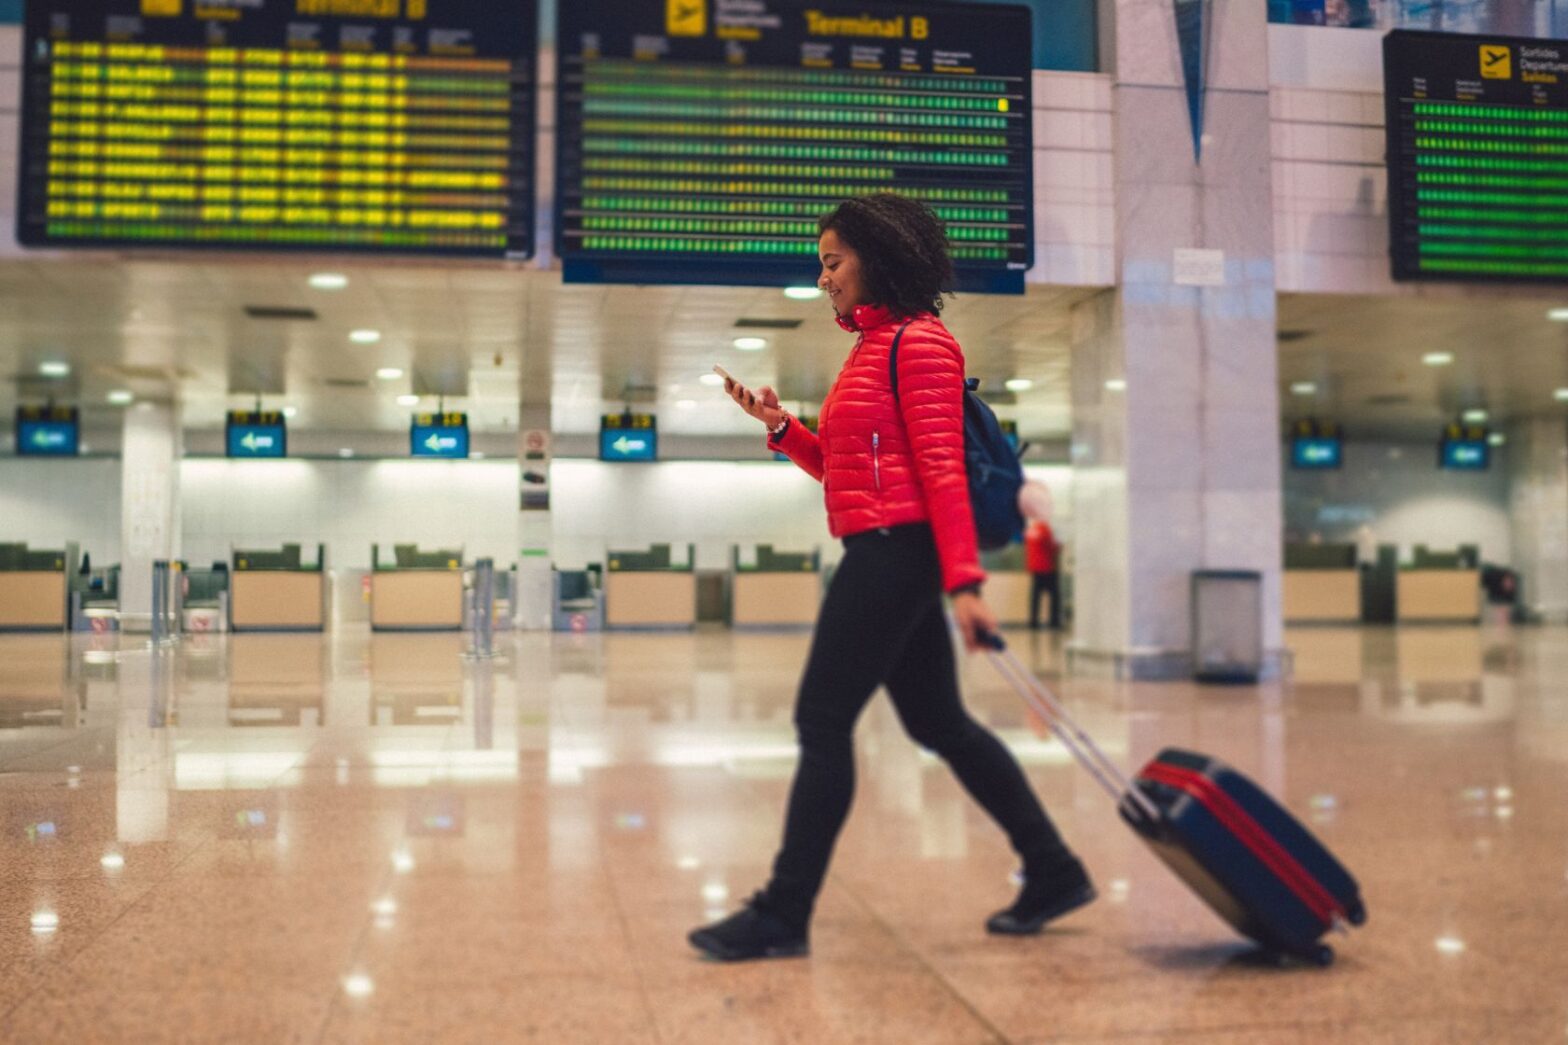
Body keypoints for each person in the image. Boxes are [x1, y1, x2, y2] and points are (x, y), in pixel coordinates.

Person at [688, 193, 1093, 962]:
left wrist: (966, 582)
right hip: (884, 542)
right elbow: (848, 471)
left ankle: (783, 910)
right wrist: (783, 429)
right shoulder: (869, 350)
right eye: (822, 263)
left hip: (894, 552)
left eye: (833, 261)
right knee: (939, 722)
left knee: (821, 720)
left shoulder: (922, 344)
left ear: (879, 256)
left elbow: (942, 470)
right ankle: (1054, 867)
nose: (824, 277)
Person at [1022, 488, 1061, 631]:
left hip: (1034, 568)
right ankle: (1054, 621)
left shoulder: (1031, 529)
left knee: (1035, 597)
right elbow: (1052, 547)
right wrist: (1059, 546)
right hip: (1047, 568)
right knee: (1054, 595)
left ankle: (1033, 621)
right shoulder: (1044, 528)